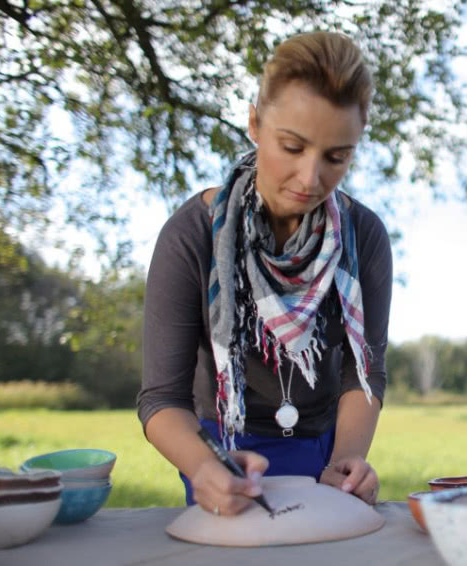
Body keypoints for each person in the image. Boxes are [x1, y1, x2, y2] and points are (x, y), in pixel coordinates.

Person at [136, 31, 392, 518]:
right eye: (292, 147)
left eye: (337, 157)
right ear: (255, 123)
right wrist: (205, 466)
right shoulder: (191, 236)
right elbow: (162, 399)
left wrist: (346, 462)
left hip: (324, 445)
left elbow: (364, 373)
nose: (310, 178)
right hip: (215, 448)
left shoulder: (365, 237)